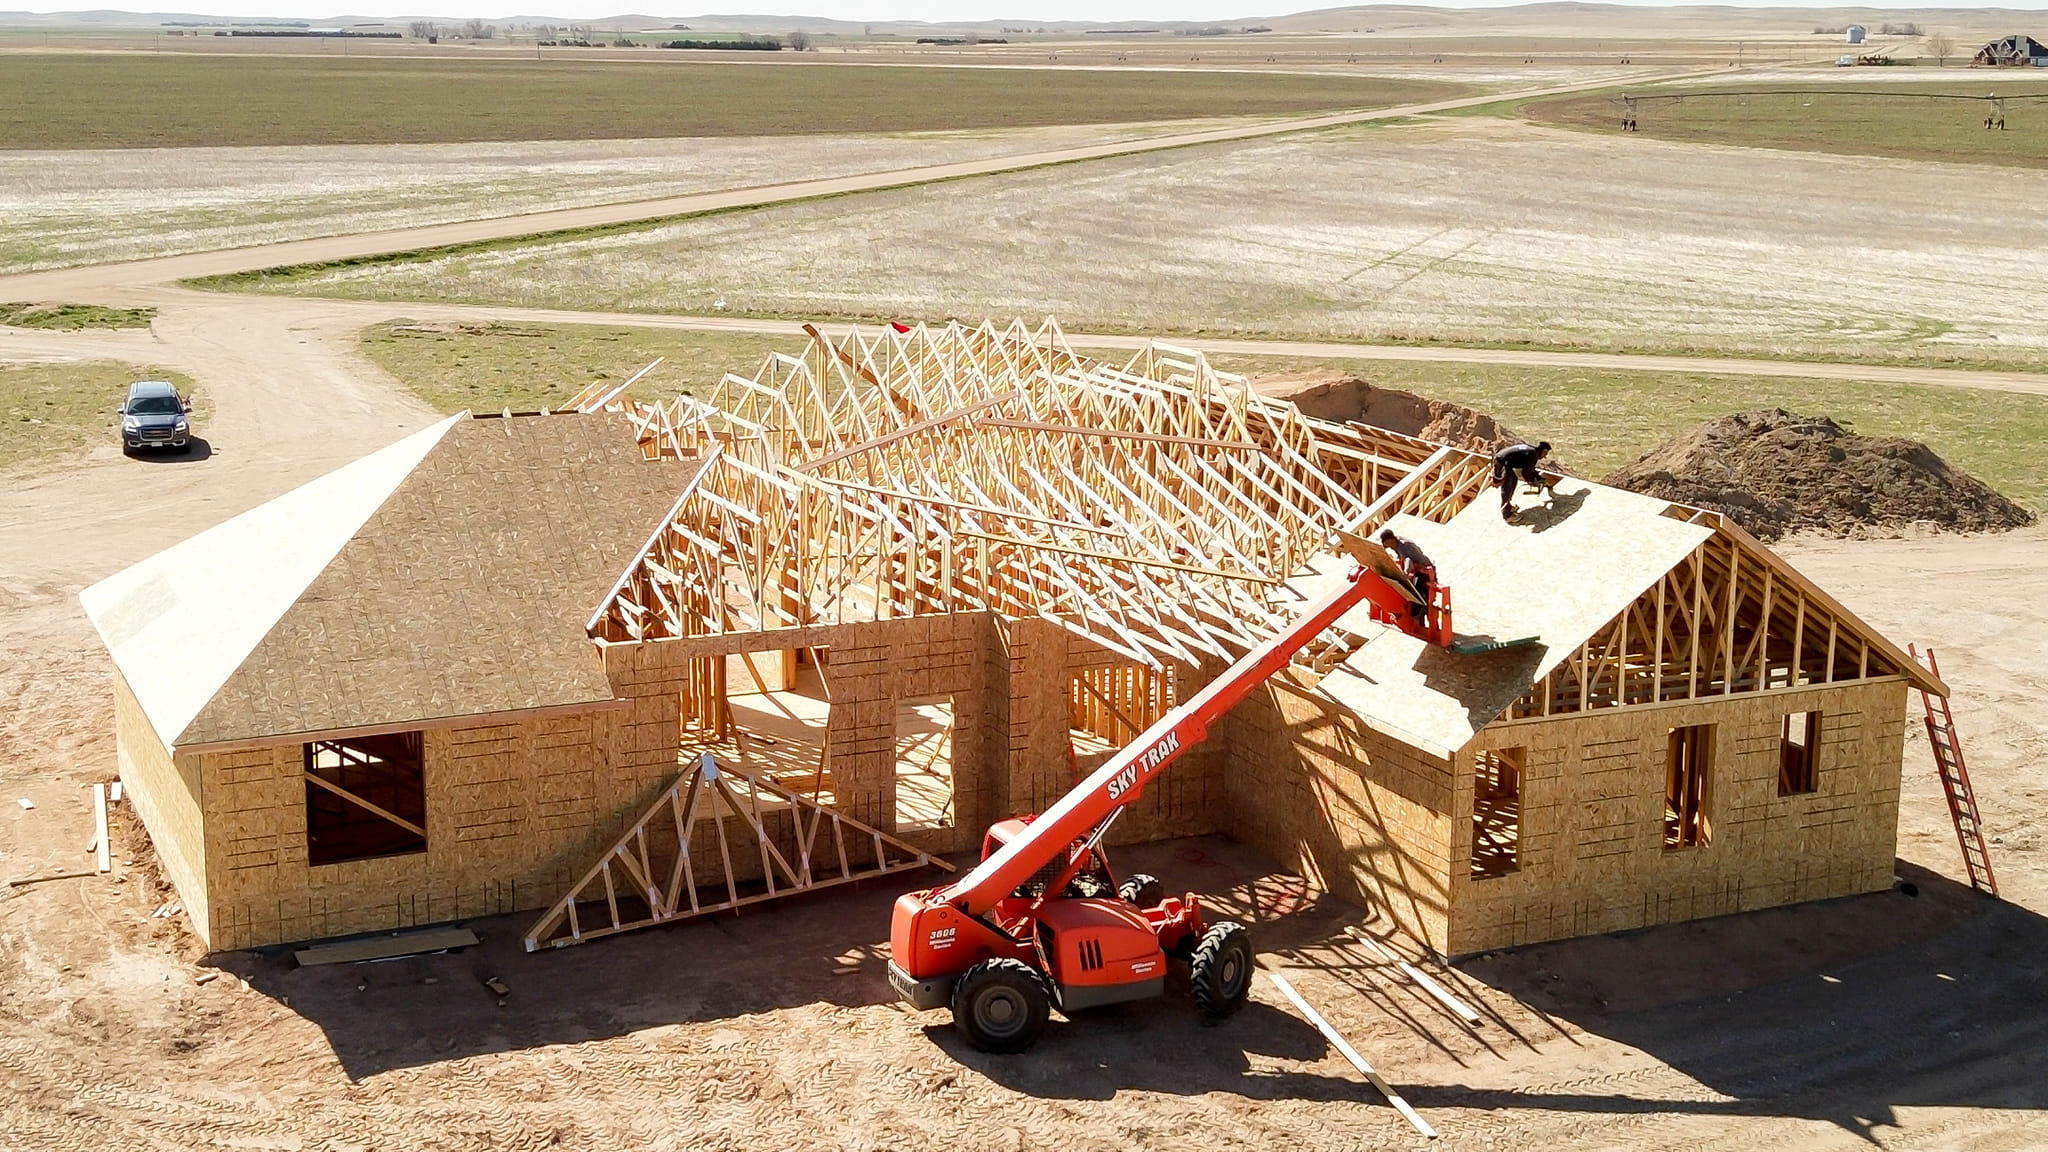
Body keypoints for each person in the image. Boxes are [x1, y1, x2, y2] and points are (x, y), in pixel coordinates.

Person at [1378, 529, 1437, 628]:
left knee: (1416, 595)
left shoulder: (1404, 545)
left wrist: (1405, 573)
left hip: (1424, 572)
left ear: (1389, 540)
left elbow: (1408, 560)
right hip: (1416, 570)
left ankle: (1416, 618)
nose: (1385, 546)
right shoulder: (1396, 544)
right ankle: (1417, 619)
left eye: (1385, 543)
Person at [1492, 441, 1556, 521]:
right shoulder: (1533, 454)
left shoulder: (1531, 450)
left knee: (1513, 480)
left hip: (1503, 461)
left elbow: (1530, 469)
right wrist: (1532, 481)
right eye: (1545, 454)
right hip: (1501, 463)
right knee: (1507, 488)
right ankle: (1507, 516)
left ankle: (1509, 507)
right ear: (1544, 451)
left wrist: (1538, 478)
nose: (1544, 457)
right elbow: (1526, 472)